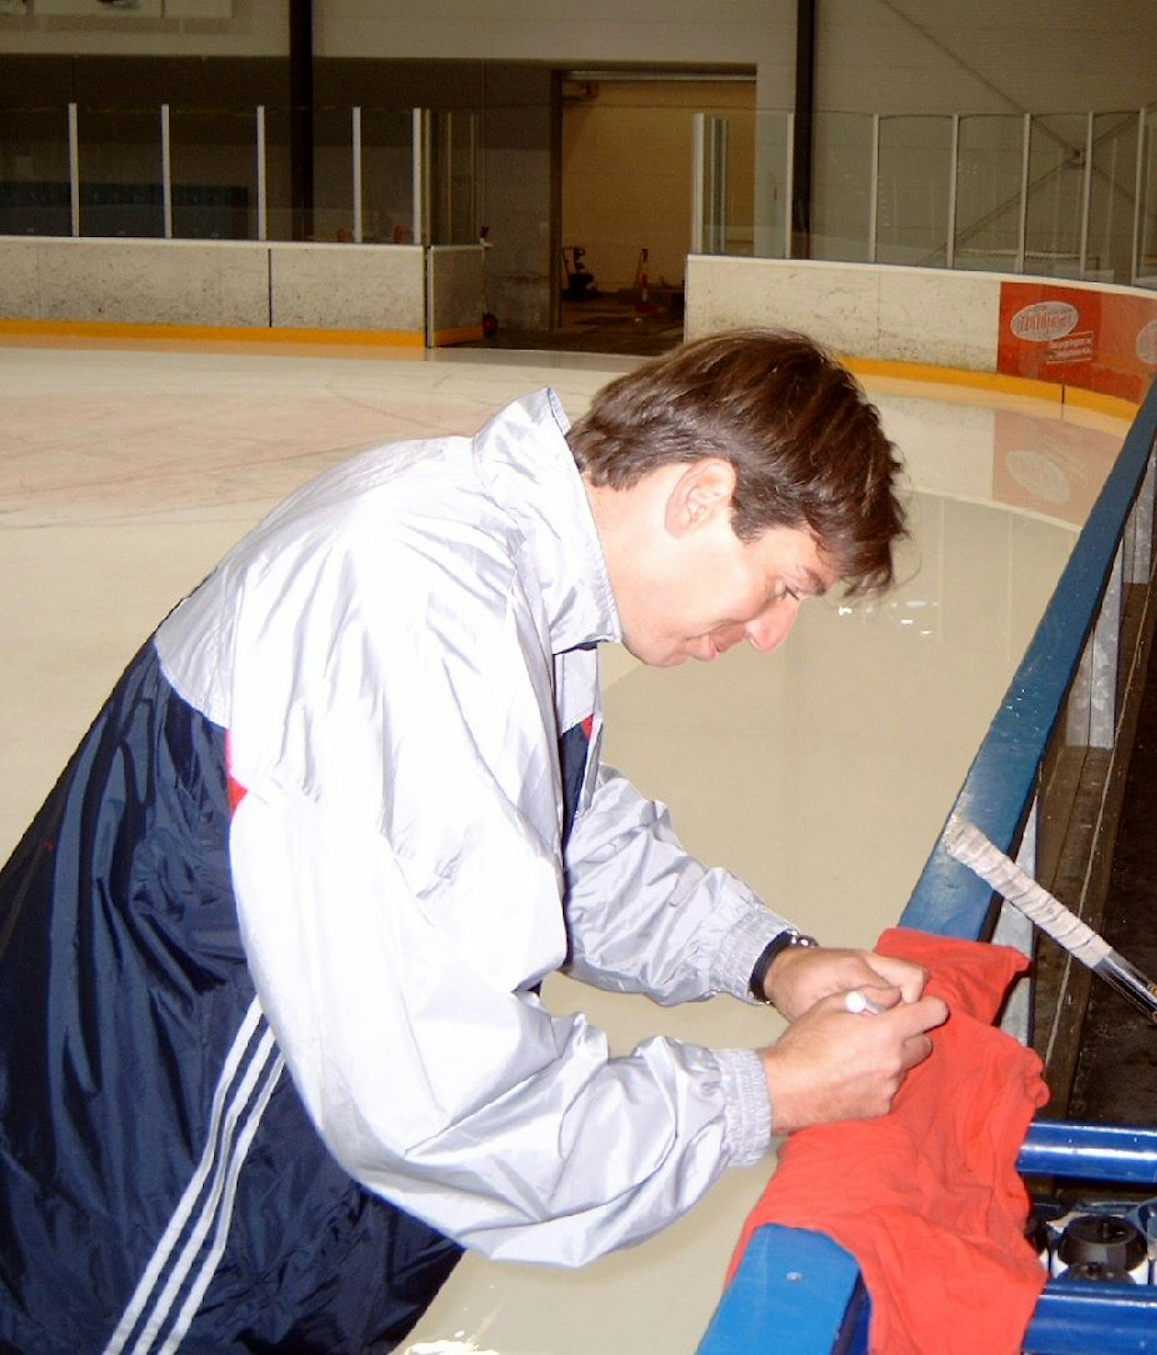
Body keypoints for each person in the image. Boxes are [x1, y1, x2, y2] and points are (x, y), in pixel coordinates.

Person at [0, 328, 950, 1353]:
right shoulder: (412, 601)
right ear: (699, 496)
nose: (769, 633)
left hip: (236, 1204)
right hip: (140, 1233)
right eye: (785, 585)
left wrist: (769, 958)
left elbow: (555, 838)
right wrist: (771, 1092)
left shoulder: (496, 556)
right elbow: (445, 1102)